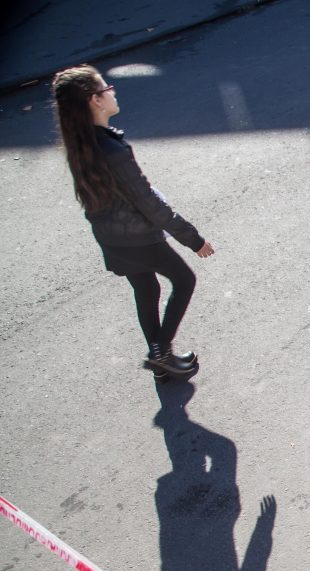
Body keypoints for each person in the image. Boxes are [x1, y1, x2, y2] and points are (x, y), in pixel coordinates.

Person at [52, 65, 215, 382]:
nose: (113, 92)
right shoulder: (112, 150)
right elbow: (150, 205)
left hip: (112, 238)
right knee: (184, 281)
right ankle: (161, 352)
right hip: (140, 239)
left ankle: (161, 363)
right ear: (95, 100)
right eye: (106, 88)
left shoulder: (83, 143)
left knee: (146, 288)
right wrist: (194, 239)